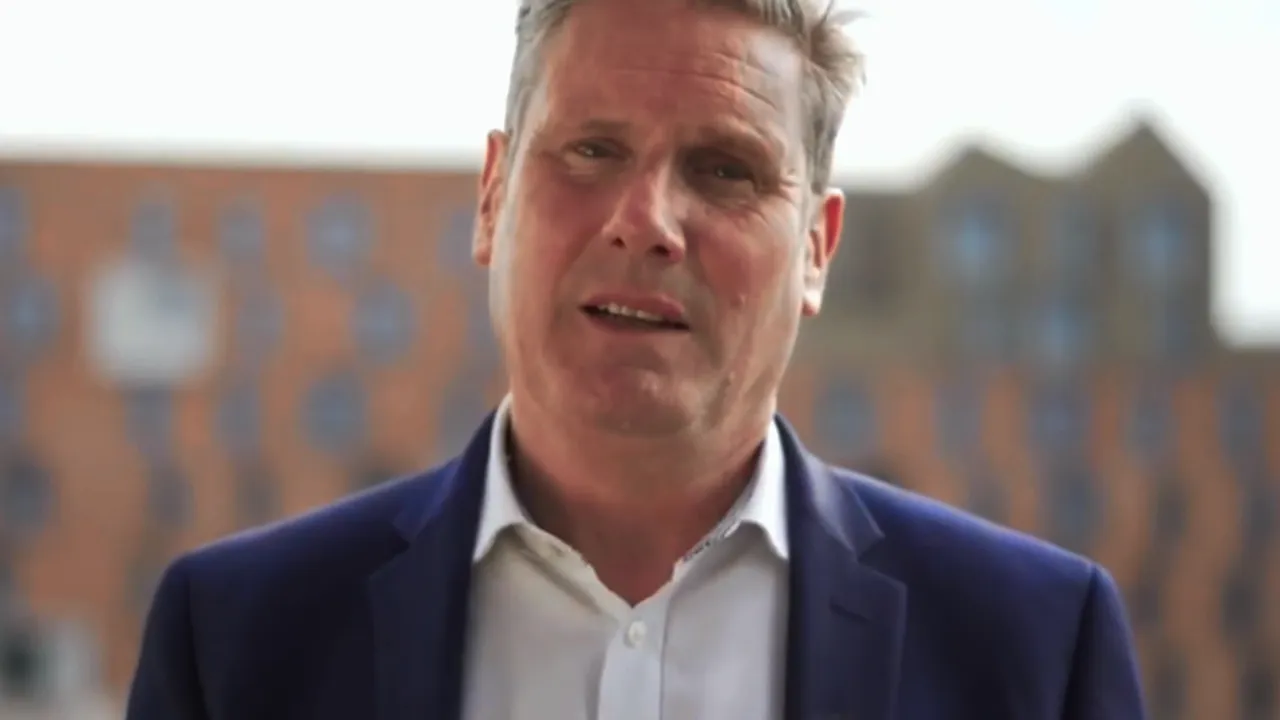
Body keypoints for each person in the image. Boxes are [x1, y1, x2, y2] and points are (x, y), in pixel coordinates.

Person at [126, 0, 1147, 718]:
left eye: (723, 169)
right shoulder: (235, 645)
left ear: (816, 250)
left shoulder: (1032, 654)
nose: (645, 222)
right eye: (590, 150)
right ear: (492, 196)